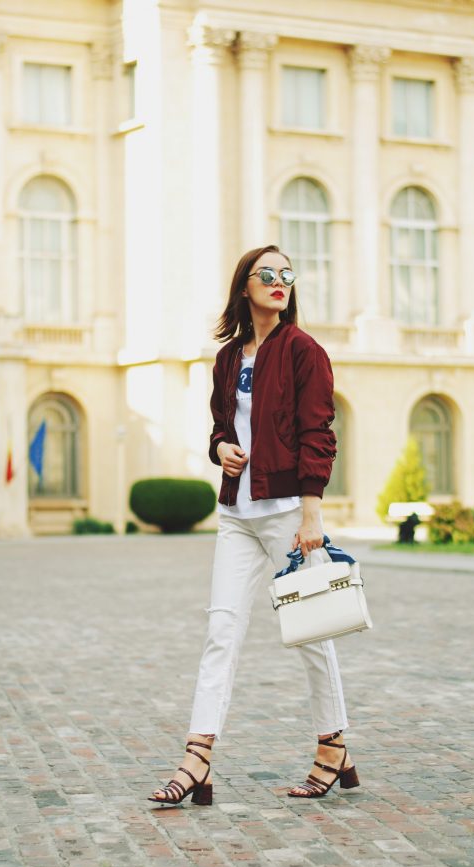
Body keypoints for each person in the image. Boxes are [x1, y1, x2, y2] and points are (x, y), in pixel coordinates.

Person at [148, 244, 359, 806]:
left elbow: (319, 433)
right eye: (267, 274)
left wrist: (311, 513)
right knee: (221, 631)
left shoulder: (303, 352)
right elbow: (220, 426)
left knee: (312, 633)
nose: (279, 281)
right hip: (237, 515)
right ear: (245, 286)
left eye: (287, 274)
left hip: (289, 513)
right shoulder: (227, 359)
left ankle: (332, 745)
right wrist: (221, 449)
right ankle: (199, 755)